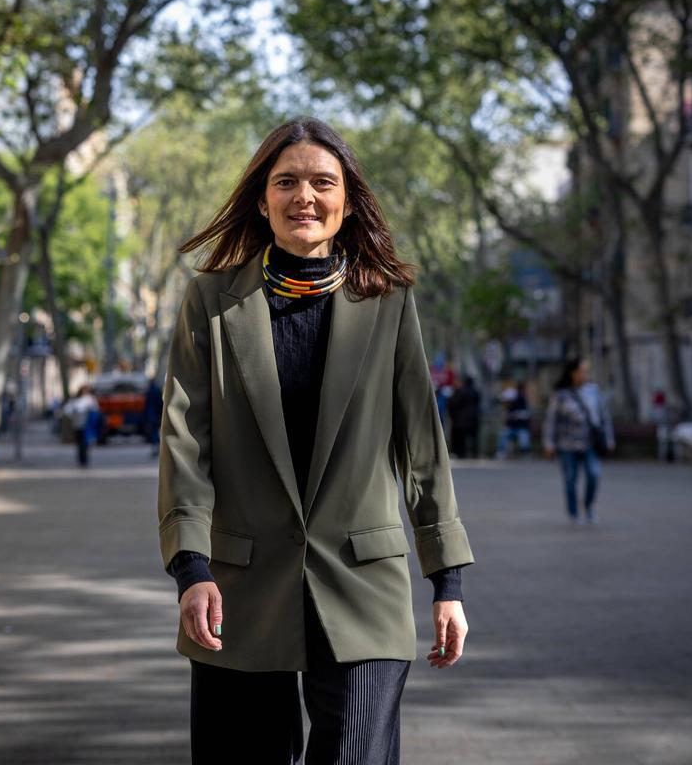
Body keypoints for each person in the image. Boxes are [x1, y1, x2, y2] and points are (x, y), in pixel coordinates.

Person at [159, 116, 474, 764]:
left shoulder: (388, 302)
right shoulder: (211, 302)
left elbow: (421, 449)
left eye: (322, 182)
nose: (305, 195)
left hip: (365, 586)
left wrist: (448, 582)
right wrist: (192, 568)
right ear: (262, 199)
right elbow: (185, 442)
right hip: (236, 592)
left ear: (348, 200)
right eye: (287, 181)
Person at [543, 358, 615, 525]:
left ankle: (589, 507)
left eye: (586, 371)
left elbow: (604, 417)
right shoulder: (561, 394)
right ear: (573, 373)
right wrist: (549, 443)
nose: (585, 374)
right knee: (570, 479)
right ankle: (573, 513)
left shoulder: (594, 391)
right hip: (567, 445)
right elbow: (551, 420)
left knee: (594, 474)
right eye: (582, 371)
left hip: (590, 443)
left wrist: (609, 439)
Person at [448, 375, 481, 458]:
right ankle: (474, 453)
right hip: (474, 418)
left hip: (461, 419)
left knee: (460, 438)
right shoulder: (475, 392)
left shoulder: (461, 391)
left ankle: (461, 453)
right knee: (474, 438)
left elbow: (454, 403)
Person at [63, 385, 96, 468]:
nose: (85, 392)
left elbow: (94, 409)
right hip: (77, 424)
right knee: (79, 443)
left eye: (87, 390)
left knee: (84, 444)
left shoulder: (90, 399)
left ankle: (84, 460)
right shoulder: (76, 400)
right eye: (84, 390)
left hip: (86, 425)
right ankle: (81, 460)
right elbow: (68, 410)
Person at [504, 382, 532, 457]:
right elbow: (509, 416)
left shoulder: (523, 399)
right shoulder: (514, 398)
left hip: (521, 426)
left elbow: (526, 414)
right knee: (504, 434)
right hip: (513, 427)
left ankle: (525, 452)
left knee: (523, 436)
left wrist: (518, 415)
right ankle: (502, 452)